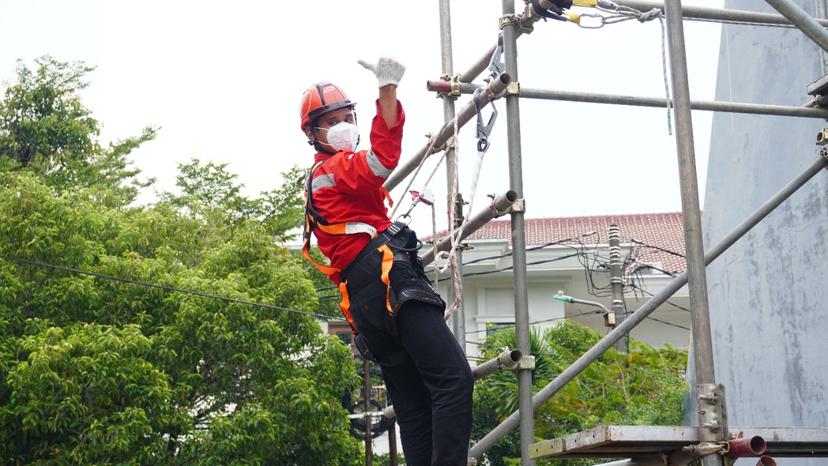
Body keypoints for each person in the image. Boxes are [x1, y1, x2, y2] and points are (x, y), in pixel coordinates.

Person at [300, 57, 473, 466]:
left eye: (348, 116)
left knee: (415, 408)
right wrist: (388, 91)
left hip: (365, 303)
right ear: (312, 133)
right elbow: (382, 160)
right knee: (452, 381)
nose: (344, 126)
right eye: (332, 121)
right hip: (384, 279)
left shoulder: (324, 180)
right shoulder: (336, 169)